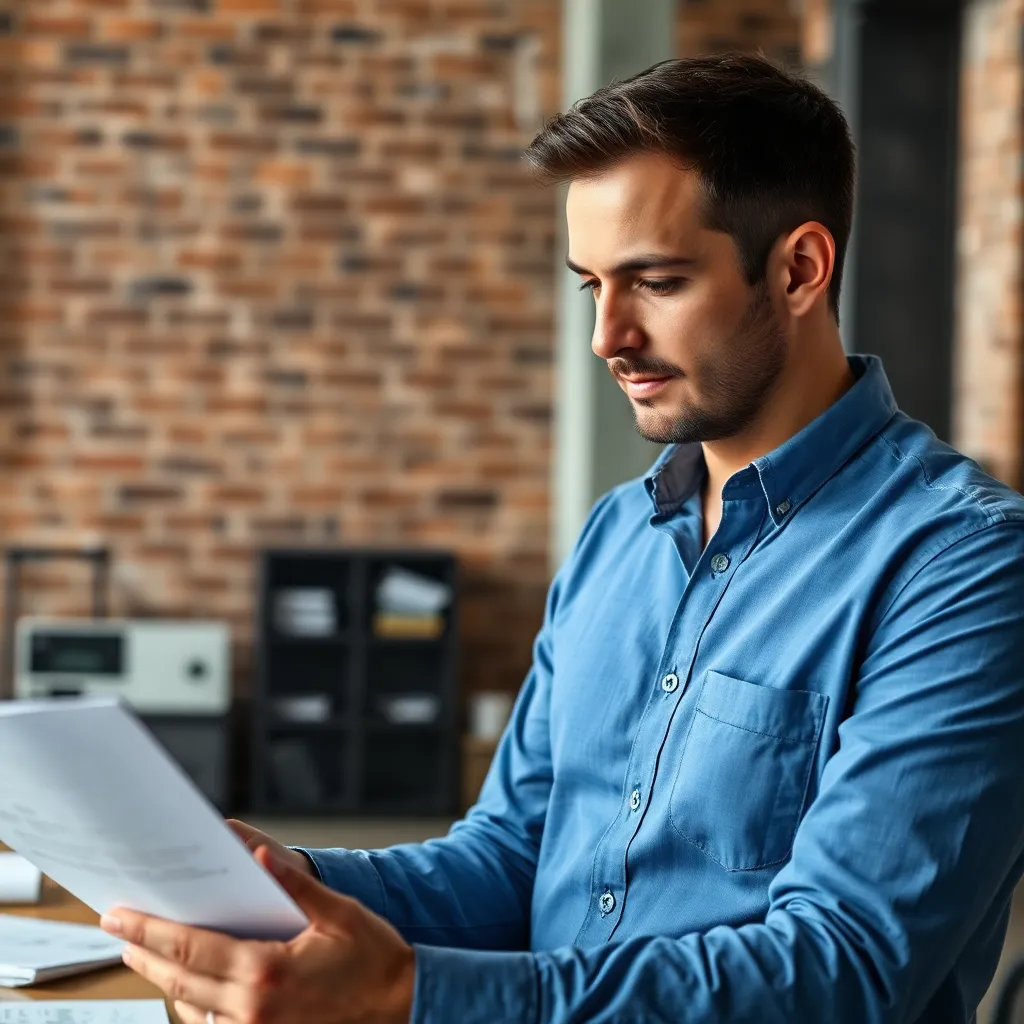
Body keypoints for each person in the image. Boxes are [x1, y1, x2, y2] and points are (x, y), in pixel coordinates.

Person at [101, 54, 1024, 1023]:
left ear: (797, 269)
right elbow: (510, 857)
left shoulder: (962, 568)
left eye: (654, 282)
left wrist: (410, 995)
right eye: (591, 285)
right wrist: (279, 882)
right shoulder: (619, 534)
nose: (607, 336)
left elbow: (840, 972)